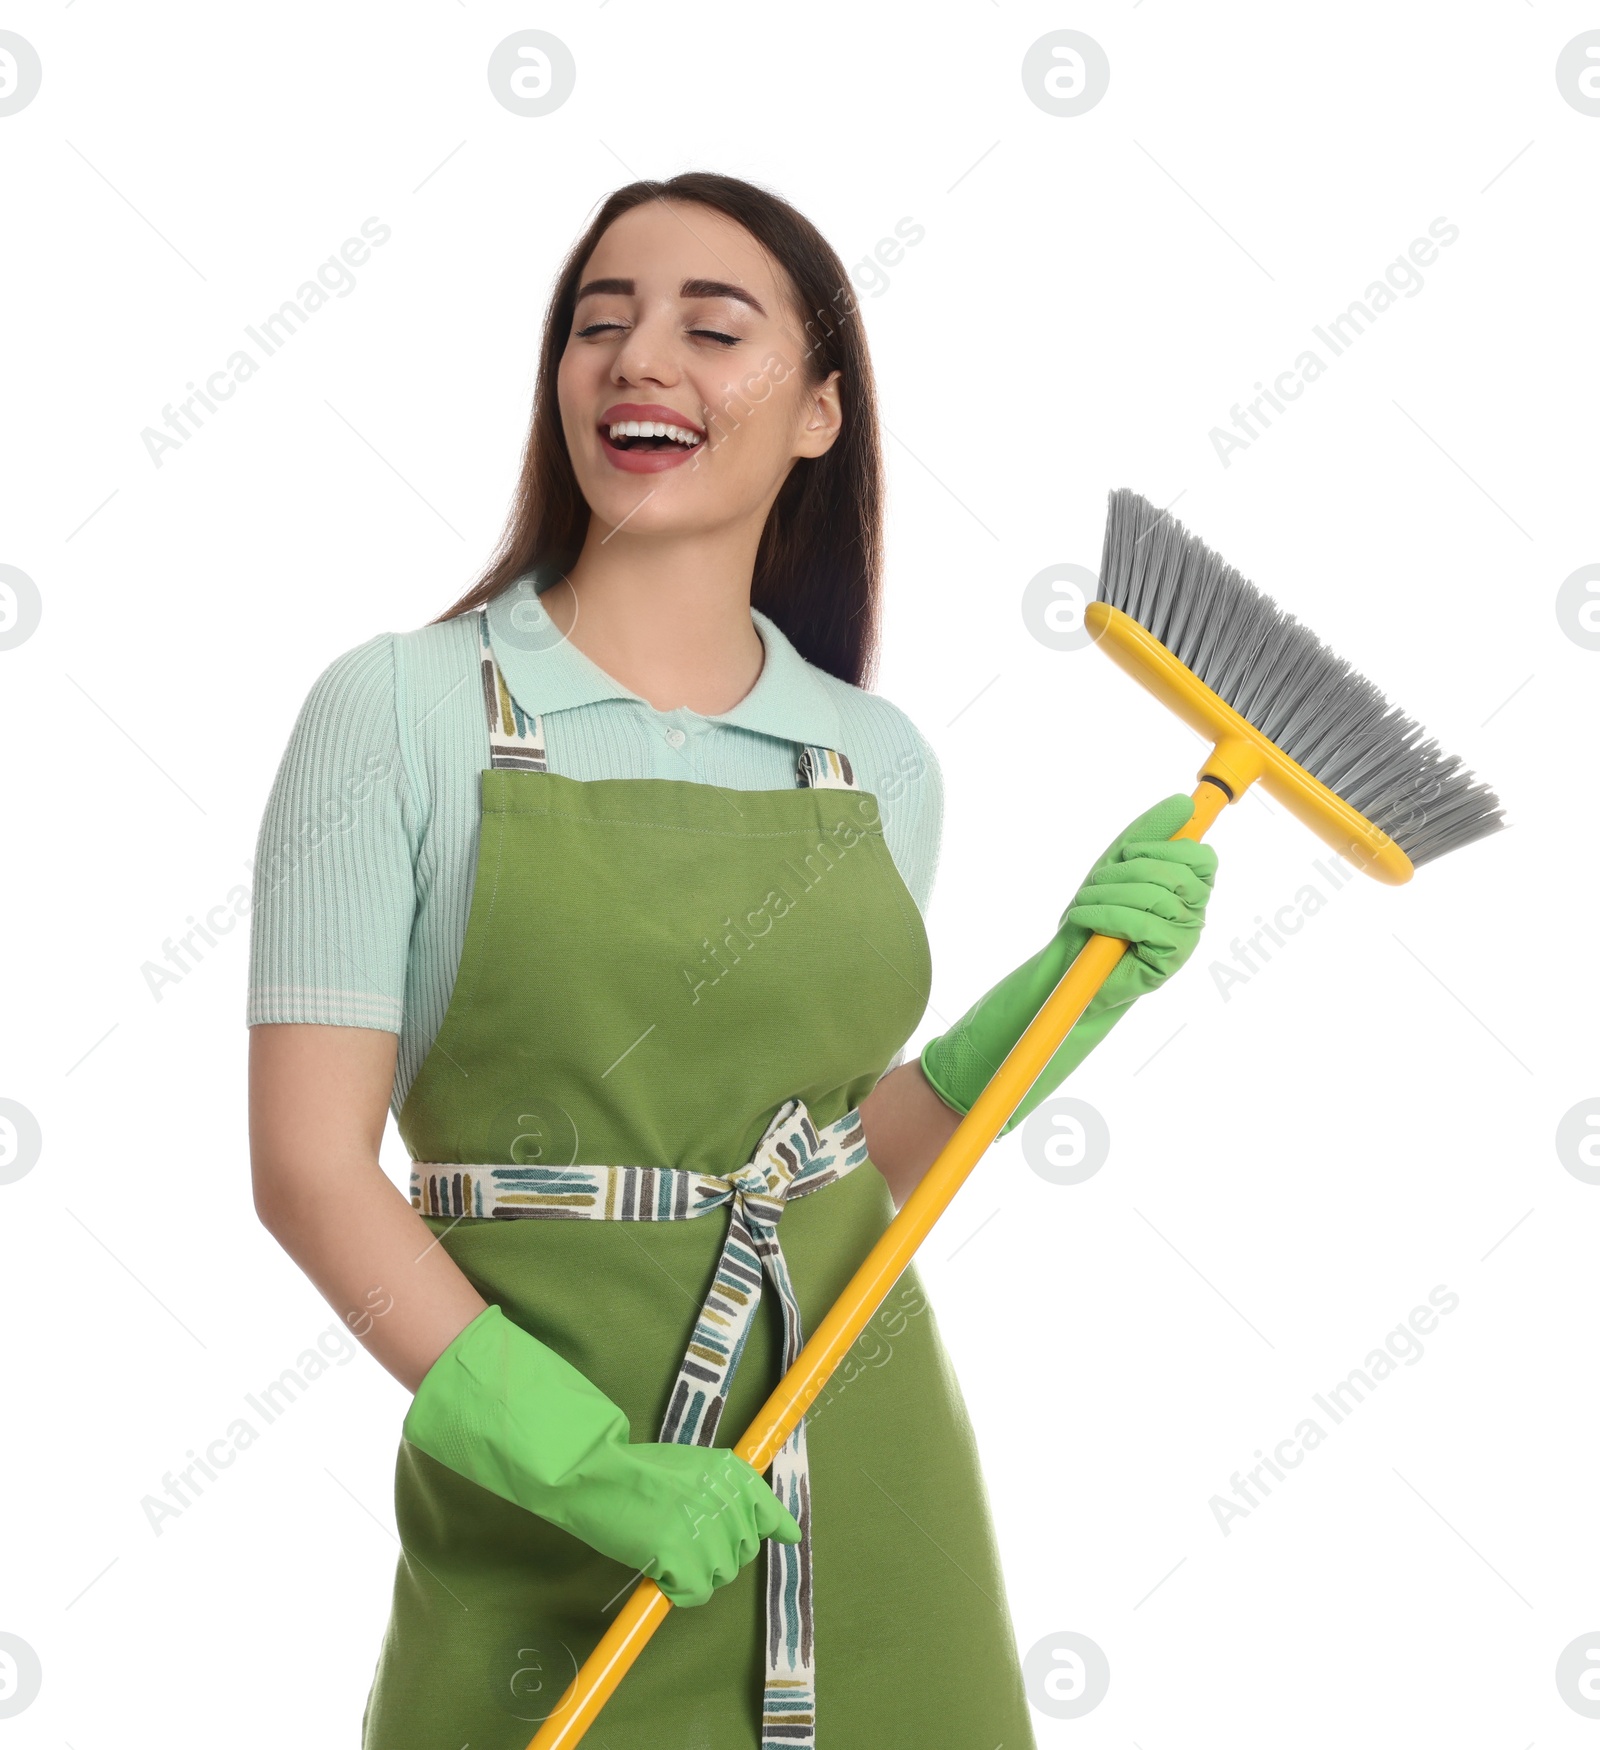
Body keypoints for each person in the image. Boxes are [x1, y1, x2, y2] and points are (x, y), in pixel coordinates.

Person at [246, 170, 1219, 1750]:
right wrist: (570, 1458)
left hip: (864, 1461)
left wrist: (1046, 1010)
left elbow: (831, 1157)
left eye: (714, 327)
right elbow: (306, 1167)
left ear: (822, 411)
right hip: (547, 1509)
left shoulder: (872, 760)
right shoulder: (401, 713)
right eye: (599, 324)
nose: (640, 362)